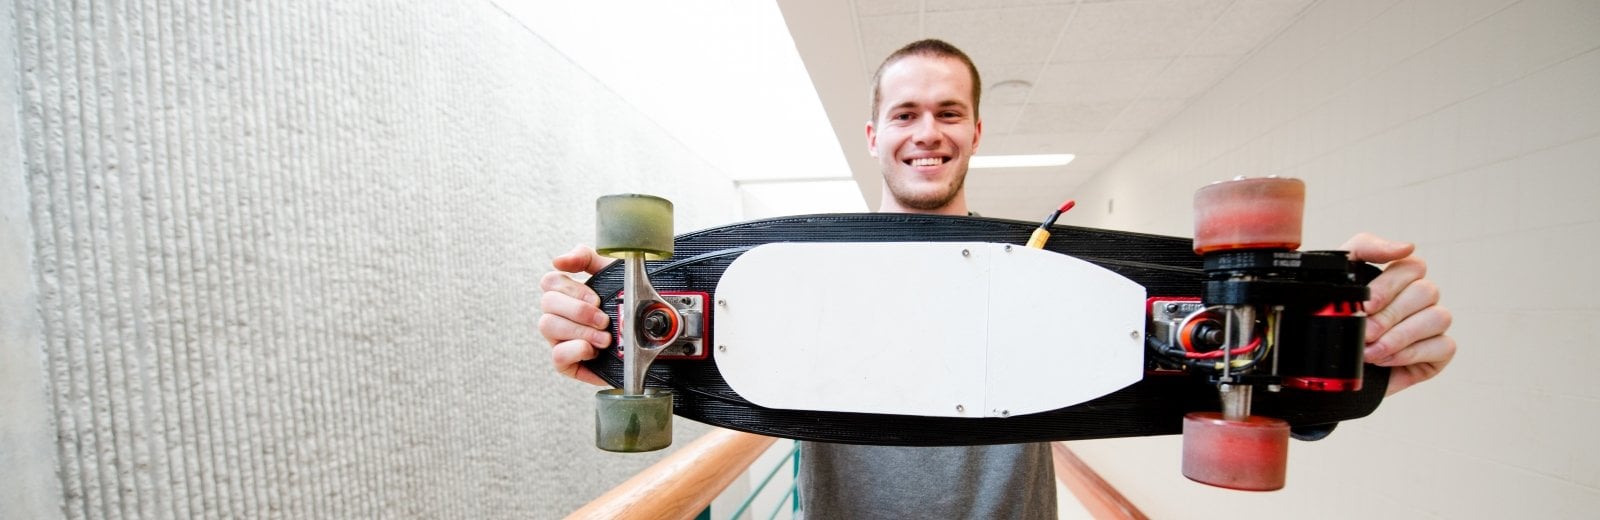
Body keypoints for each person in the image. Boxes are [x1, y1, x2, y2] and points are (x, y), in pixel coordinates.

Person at [539, 39, 1456, 518]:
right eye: (904, 113)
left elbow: (1207, 365)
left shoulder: (1051, 268)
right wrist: (599, 336)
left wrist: (1348, 356)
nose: (926, 131)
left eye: (948, 112)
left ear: (976, 131)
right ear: (874, 135)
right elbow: (637, 344)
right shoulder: (792, 277)